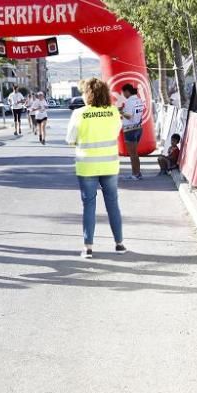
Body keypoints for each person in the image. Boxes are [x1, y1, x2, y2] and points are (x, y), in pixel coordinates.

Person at [66, 77, 126, 259]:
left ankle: (88, 247)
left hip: (87, 166)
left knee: (89, 206)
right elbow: (115, 134)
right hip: (109, 164)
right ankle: (119, 244)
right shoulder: (114, 112)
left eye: (84, 92)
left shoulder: (79, 114)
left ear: (88, 94)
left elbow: (70, 139)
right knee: (113, 204)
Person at [119, 83, 146, 180]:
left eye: (123, 93)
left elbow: (129, 116)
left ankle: (135, 174)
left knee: (132, 154)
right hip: (138, 128)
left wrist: (120, 111)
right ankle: (137, 173)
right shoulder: (139, 100)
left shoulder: (129, 102)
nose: (123, 95)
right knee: (135, 153)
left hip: (130, 130)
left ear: (127, 91)